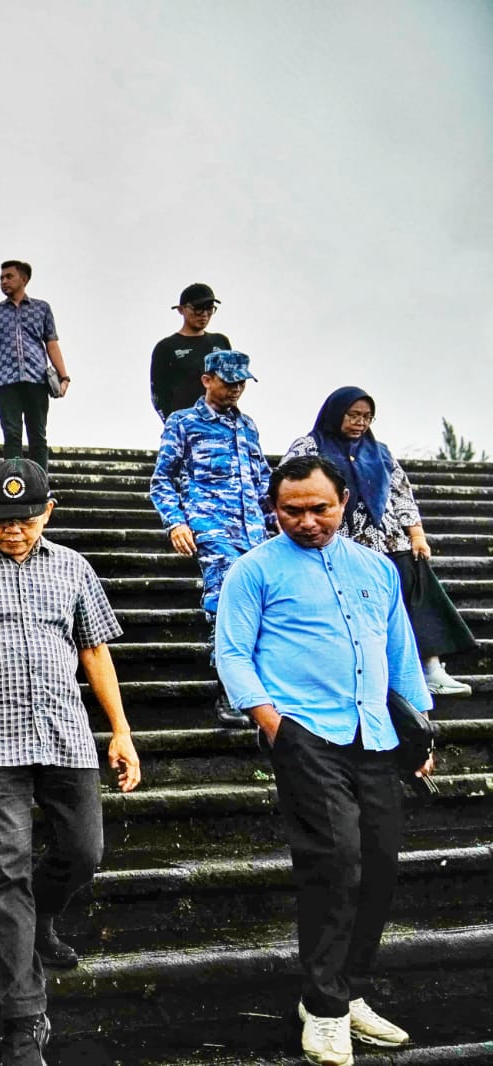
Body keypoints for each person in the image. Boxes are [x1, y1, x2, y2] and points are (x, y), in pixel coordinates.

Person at [0, 457, 140, 1066]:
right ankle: (24, 1020)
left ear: (49, 511)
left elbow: (95, 652)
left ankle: (40, 921)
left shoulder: (74, 567)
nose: (13, 530)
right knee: (6, 872)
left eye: (26, 519)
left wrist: (120, 731)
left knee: (85, 852)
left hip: (64, 736)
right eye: (0, 519)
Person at [216, 455, 433, 1066]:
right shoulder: (253, 571)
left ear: (344, 502)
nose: (308, 520)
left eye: (321, 508)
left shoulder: (375, 568)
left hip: (377, 737)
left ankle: (348, 991)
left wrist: (421, 730)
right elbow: (232, 653)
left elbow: (400, 649)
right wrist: (273, 724)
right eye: (292, 510)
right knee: (335, 863)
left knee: (381, 866)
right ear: (273, 509)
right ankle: (326, 1009)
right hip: (306, 734)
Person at [284, 387, 476, 696]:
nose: (361, 422)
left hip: (386, 536)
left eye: (367, 417)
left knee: (415, 578)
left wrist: (416, 534)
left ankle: (432, 668)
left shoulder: (380, 451)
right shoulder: (310, 446)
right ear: (336, 414)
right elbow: (287, 487)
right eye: (354, 415)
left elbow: (401, 493)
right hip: (341, 537)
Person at [149, 350, 277, 726]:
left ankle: (259, 690)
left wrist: (279, 520)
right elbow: (162, 480)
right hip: (211, 527)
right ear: (207, 380)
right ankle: (230, 691)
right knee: (224, 606)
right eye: (228, 381)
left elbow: (263, 480)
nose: (236, 388)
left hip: (254, 530)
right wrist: (176, 522)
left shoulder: (248, 425)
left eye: (241, 382)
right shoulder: (183, 422)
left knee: (263, 608)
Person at [0, 261, 70, 470]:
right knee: (12, 434)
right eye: (1, 278)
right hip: (5, 382)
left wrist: (64, 376)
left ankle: (40, 484)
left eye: (9, 277)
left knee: (38, 435)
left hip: (37, 380)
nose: (4, 281)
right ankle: (14, 485)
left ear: (23, 279)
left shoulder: (41, 308)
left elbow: (51, 344)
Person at [149, 283, 232, 420]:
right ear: (181, 310)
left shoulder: (220, 341)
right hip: (185, 424)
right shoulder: (166, 347)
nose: (204, 314)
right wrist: (175, 424)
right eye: (198, 309)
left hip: (220, 424)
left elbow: (232, 384)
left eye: (209, 309)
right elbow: (158, 395)